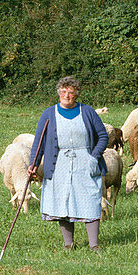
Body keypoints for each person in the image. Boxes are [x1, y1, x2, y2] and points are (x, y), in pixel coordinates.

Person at [28, 76, 109, 251]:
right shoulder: (49, 114)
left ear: (76, 94)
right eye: (63, 92)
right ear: (58, 93)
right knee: (63, 201)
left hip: (85, 161)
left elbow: (103, 136)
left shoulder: (87, 112)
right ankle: (68, 244)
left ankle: (94, 245)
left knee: (91, 200)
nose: (67, 95)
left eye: (71, 92)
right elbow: (39, 142)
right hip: (59, 163)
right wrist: (33, 163)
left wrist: (94, 156)